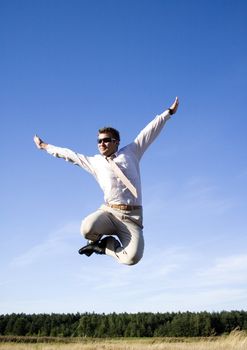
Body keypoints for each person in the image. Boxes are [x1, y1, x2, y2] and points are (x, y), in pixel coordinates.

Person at [33, 97, 179, 266]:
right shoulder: (94, 162)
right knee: (86, 228)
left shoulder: (132, 152)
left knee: (132, 258)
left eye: (106, 140)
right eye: (99, 141)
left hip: (132, 218)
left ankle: (106, 246)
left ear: (116, 142)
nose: (102, 143)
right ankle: (95, 241)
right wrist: (45, 146)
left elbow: (149, 131)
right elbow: (69, 154)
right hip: (110, 213)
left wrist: (168, 113)